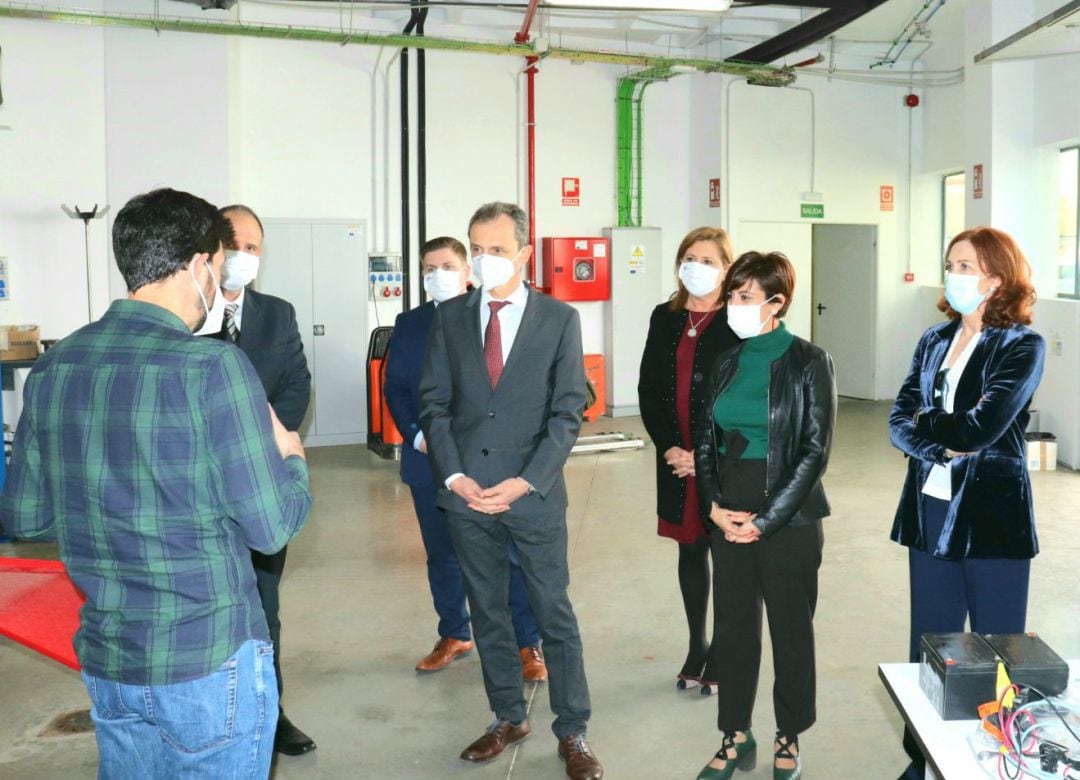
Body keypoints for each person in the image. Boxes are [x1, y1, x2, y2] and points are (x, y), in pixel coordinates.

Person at [0, 188, 312, 778]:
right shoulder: (213, 368)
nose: (219, 285)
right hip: (207, 658)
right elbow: (271, 527)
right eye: (218, 268)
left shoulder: (56, 365)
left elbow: (29, 517)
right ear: (198, 265)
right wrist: (292, 460)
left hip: (110, 657)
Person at [420, 202, 602, 780]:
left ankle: (572, 730)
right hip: (468, 495)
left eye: (497, 249)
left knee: (554, 613)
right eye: (477, 248)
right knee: (489, 611)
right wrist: (455, 477)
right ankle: (506, 716)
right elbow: (435, 405)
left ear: (525, 252)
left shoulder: (558, 319)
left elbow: (570, 409)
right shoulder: (449, 318)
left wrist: (526, 480)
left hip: (532, 493)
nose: (484, 259)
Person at [888, 226, 1044, 780]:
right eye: (950, 263)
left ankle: (996, 758)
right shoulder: (934, 339)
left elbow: (983, 427)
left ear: (996, 278)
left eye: (964, 265)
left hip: (992, 517)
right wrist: (938, 438)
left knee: (999, 644)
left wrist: (930, 427)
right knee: (929, 641)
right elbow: (896, 420)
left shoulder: (1022, 346)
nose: (951, 274)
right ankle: (925, 758)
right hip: (929, 510)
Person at [693, 251, 836, 780]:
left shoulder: (809, 361)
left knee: (790, 627)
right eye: (731, 294)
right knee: (732, 628)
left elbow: (814, 451)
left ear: (777, 303)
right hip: (728, 505)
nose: (733, 305)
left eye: (745, 296)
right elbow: (705, 441)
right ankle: (735, 733)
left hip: (789, 513)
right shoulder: (726, 360)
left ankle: (789, 734)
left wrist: (767, 519)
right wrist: (714, 506)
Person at [384, 235, 547, 681]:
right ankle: (455, 632)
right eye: (429, 268)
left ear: (467, 269)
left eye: (448, 265)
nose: (439, 275)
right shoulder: (410, 323)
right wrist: (418, 437)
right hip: (428, 460)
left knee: (510, 556)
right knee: (442, 554)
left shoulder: (492, 317)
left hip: (491, 462)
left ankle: (525, 642)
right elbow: (396, 387)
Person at [199, 203, 317, 756]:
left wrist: (262, 444)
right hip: (195, 494)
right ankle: (210, 716)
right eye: (234, 244)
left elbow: (296, 385)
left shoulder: (276, 313)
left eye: (254, 247)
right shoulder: (184, 315)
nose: (244, 256)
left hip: (262, 487)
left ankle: (270, 715)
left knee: (264, 608)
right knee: (202, 609)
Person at [638, 226, 739, 696]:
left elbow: (746, 400)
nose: (696, 267)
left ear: (726, 268)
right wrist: (669, 447)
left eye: (707, 259)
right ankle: (696, 644)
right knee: (690, 551)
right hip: (676, 461)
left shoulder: (740, 320)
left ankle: (722, 649)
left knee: (728, 554)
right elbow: (649, 390)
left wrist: (707, 453)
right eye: (689, 258)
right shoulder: (666, 316)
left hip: (723, 462)